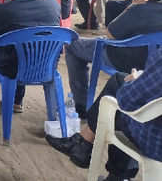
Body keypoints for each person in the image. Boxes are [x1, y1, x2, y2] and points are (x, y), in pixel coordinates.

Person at [46, 46, 162, 181]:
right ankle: (86, 147)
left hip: (154, 141)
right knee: (119, 81)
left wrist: (131, 82)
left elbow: (127, 100)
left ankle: (83, 145)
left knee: (116, 96)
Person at [64, 0, 162, 118]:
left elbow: (111, 34)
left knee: (72, 45)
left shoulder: (143, 9)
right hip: (154, 68)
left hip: (124, 59)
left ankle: (81, 106)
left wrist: (133, 6)